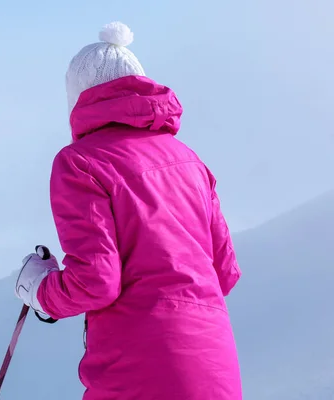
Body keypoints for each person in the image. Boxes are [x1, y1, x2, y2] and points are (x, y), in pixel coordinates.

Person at [14, 21, 243, 400]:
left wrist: (39, 290)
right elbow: (224, 273)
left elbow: (96, 282)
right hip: (215, 369)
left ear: (79, 99)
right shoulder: (191, 162)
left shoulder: (82, 162)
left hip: (139, 370)